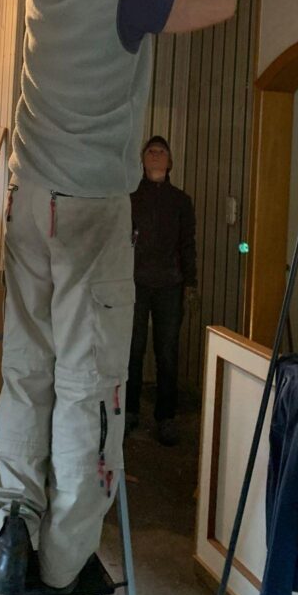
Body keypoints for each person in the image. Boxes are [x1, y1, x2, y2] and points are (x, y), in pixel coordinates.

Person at [0, 0, 254, 595]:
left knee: (28, 369)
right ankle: (62, 561)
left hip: (30, 203)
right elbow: (219, 3)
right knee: (89, 382)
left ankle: (11, 527)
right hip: (91, 214)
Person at [126, 135, 197, 447]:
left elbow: (187, 244)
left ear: (170, 162)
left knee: (167, 352)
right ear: (143, 160)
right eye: (151, 151)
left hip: (170, 284)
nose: (155, 155)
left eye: (161, 152)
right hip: (135, 283)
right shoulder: (131, 198)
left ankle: (165, 417)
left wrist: (190, 283)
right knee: (132, 349)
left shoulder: (180, 201)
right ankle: (129, 411)